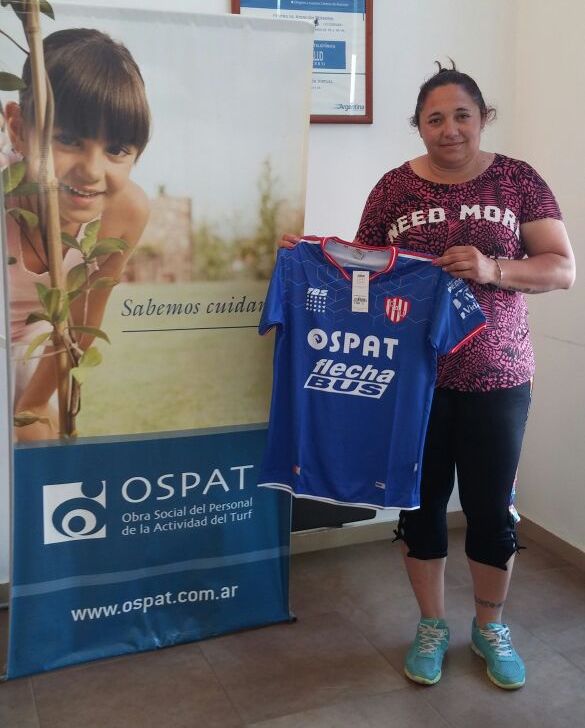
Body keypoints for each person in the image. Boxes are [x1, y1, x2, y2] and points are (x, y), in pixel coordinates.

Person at [279, 63, 575, 690]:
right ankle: (432, 624)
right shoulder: (393, 188)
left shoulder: (517, 179)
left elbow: (561, 269)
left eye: (461, 115)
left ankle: (491, 627)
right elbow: (359, 273)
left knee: (493, 510)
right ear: (418, 126)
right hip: (409, 383)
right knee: (420, 506)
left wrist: (493, 268)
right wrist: (306, 254)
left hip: (498, 376)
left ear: (482, 118)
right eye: (434, 118)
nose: (449, 129)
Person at [3, 28, 151, 441]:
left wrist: (31, 406)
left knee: (38, 436)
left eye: (116, 149)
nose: (91, 169)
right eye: (67, 139)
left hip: (41, 336)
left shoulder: (125, 212)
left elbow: (82, 319)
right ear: (17, 127)